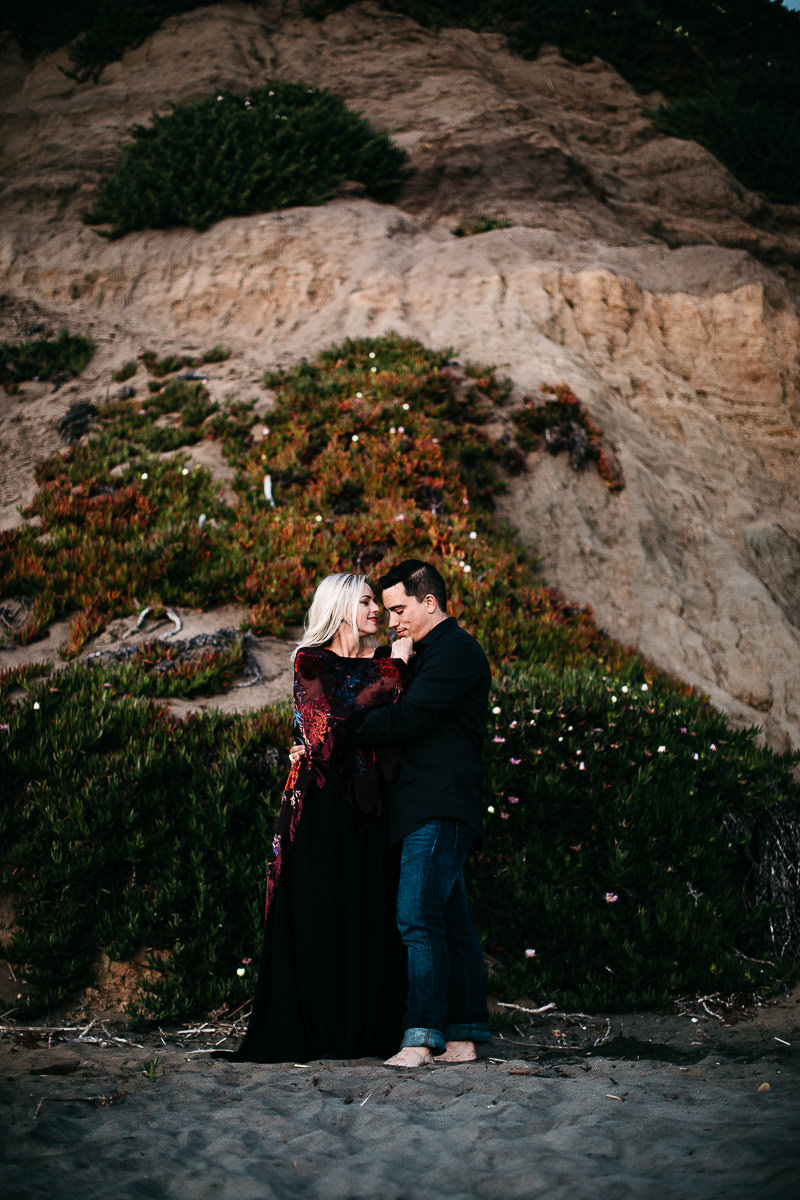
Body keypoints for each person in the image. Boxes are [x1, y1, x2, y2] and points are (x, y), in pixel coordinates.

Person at [225, 573, 412, 1063]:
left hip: (372, 807)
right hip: (318, 806)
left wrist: (387, 674)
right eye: (367, 601)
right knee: (318, 912)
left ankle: (364, 1033)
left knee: (369, 911)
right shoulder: (311, 661)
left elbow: (388, 729)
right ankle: (317, 1029)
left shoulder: (380, 662)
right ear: (340, 606)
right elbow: (325, 741)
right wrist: (391, 675)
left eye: (377, 602)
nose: (377, 611)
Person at [355, 559, 492, 1068]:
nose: (392, 621)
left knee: (416, 918)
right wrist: (400, 660)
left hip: (439, 805)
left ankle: (420, 1039)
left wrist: (349, 727)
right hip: (428, 806)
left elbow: (409, 718)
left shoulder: (456, 651)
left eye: (398, 609)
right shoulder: (428, 652)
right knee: (450, 923)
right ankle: (463, 1037)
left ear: (428, 602)